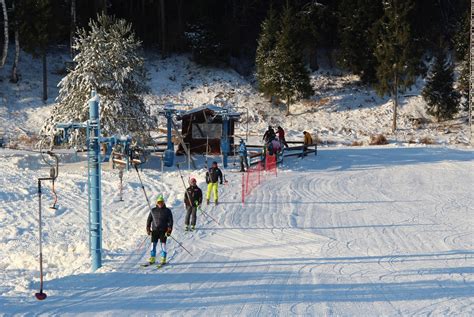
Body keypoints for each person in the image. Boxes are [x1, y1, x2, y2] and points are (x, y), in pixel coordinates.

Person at [146, 194, 173, 265]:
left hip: (163, 231)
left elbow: (170, 221)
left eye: (161, 202)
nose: (160, 204)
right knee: (153, 245)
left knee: (163, 245)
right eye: (159, 202)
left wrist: (169, 231)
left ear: (163, 203)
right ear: (156, 203)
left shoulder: (167, 211)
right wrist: (148, 229)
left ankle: (163, 259)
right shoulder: (153, 210)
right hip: (155, 231)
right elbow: (149, 220)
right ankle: (152, 258)